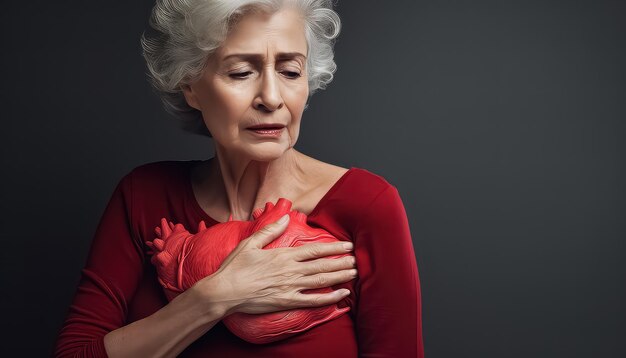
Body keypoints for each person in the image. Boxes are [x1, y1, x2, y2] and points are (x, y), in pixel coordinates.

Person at [54, 0, 424, 357]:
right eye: (241, 72)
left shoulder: (366, 206)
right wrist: (215, 297)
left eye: (290, 71)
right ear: (191, 87)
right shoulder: (143, 197)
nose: (271, 97)